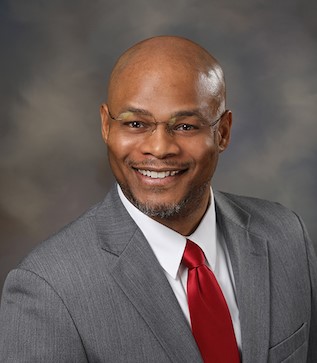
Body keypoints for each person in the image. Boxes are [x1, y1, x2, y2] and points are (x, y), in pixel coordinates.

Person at [0, 36, 316, 363]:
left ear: (222, 132)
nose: (160, 147)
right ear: (107, 127)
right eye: (136, 123)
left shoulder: (286, 236)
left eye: (185, 126)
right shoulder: (47, 288)